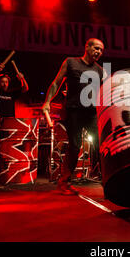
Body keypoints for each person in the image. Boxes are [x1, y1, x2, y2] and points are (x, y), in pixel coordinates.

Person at [43, 38, 105, 195]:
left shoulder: (99, 70)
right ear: (87, 47)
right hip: (74, 110)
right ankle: (64, 183)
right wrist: (47, 101)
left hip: (91, 112)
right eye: (96, 48)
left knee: (100, 146)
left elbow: (102, 93)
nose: (98, 52)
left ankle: (107, 180)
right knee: (75, 146)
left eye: (101, 50)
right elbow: (56, 83)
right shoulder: (71, 62)